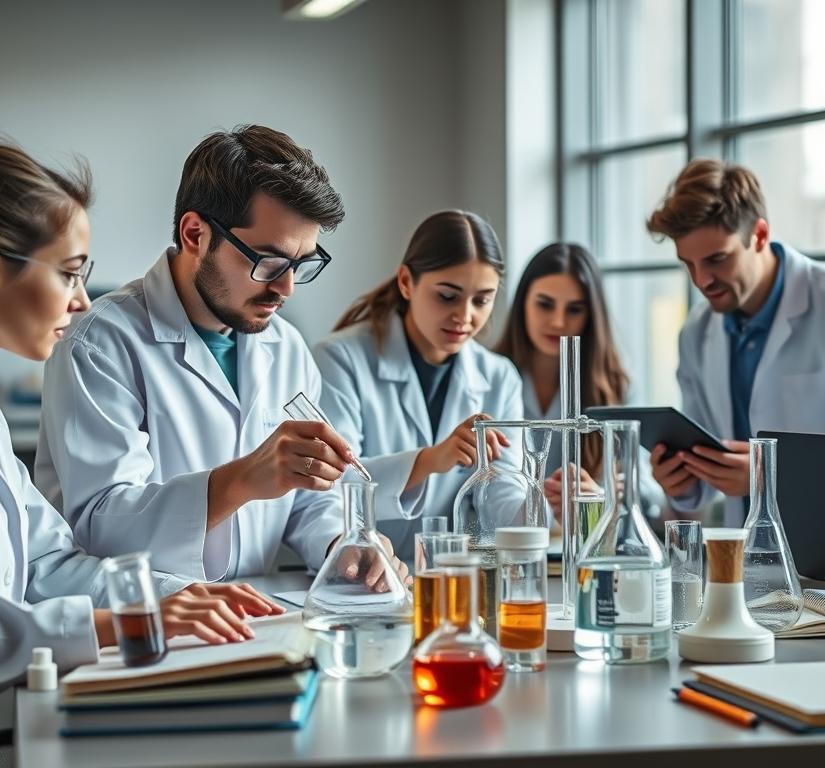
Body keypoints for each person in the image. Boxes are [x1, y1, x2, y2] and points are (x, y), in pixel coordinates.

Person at [0, 119, 279, 768]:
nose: (80, 302)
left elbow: (44, 564)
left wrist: (161, 596)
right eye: (70, 274)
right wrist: (124, 624)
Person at [36, 125, 406, 585]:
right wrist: (241, 480)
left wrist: (344, 543)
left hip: (253, 621)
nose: (285, 287)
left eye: (302, 264)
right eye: (268, 261)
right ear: (195, 234)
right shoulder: (100, 344)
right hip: (143, 621)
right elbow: (99, 527)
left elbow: (308, 501)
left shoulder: (286, 348)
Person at [645, 159, 825, 525]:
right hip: (745, 560)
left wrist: (769, 475)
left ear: (760, 235)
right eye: (688, 264)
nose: (702, 280)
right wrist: (680, 481)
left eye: (717, 259)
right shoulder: (698, 331)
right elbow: (704, 471)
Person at [313, 210, 522, 560]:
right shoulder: (340, 359)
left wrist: (544, 507)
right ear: (407, 282)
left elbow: (503, 489)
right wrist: (429, 460)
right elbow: (332, 486)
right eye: (447, 296)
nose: (465, 315)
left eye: (482, 299)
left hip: (446, 576)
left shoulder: (499, 377)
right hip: (360, 571)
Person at [491, 242, 665, 516]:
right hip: (513, 546)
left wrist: (600, 494)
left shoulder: (615, 387)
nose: (559, 322)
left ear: (592, 315)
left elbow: (647, 487)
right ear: (522, 302)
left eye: (574, 309)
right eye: (545, 304)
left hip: (586, 546)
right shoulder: (490, 379)